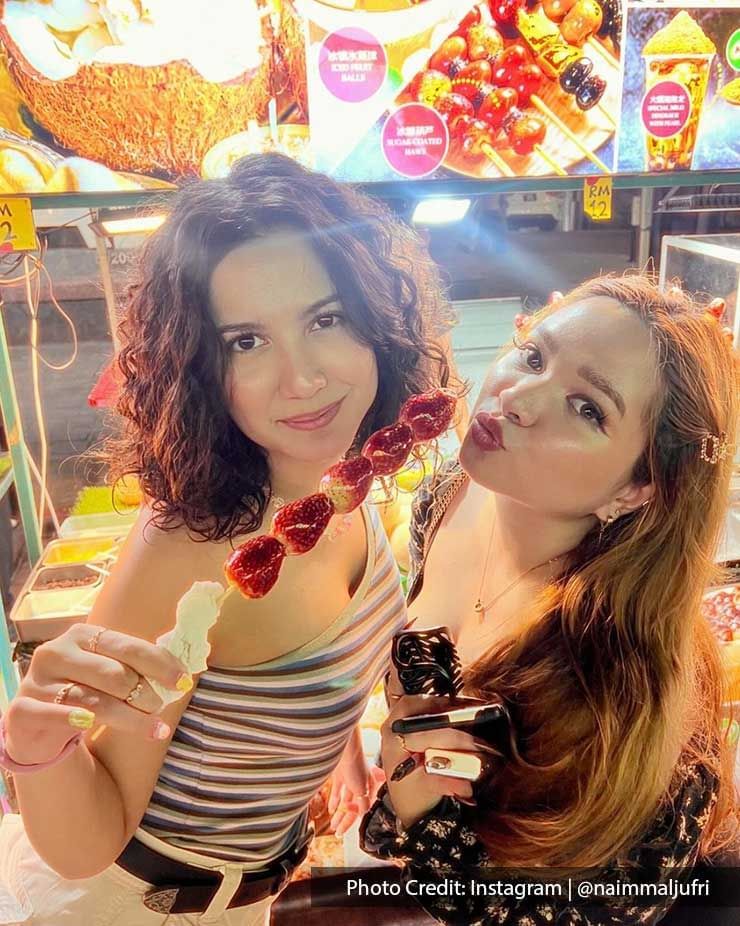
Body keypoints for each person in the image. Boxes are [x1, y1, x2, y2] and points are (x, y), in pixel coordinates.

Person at [0, 152, 456, 925]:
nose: (302, 378)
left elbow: (322, 652)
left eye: (325, 319)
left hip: (255, 891)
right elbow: (89, 841)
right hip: (132, 906)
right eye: (246, 341)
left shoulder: (341, 478)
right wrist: (36, 746)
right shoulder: (194, 549)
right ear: (202, 369)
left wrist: (337, 749)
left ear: (375, 320)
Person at [361, 275, 739, 925]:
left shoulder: (626, 694)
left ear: (638, 490)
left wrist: (420, 810)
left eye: (589, 408)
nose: (519, 398)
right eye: (534, 356)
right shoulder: (451, 496)